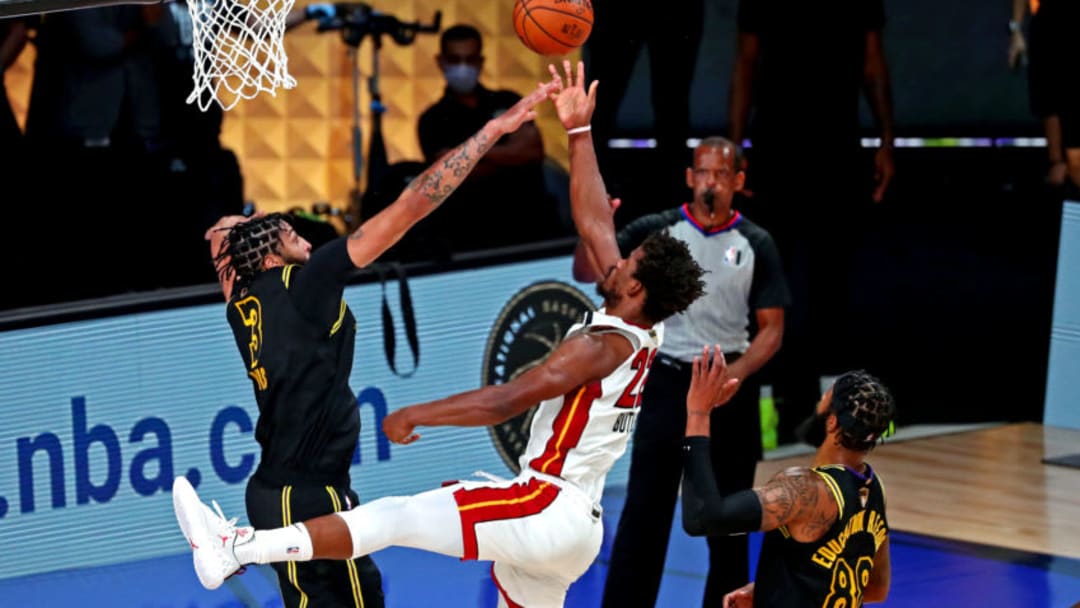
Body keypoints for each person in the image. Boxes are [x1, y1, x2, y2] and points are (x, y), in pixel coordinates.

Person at [170, 59, 707, 608]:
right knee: (387, 528)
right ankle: (237, 546)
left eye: (626, 262)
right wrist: (548, 133)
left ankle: (239, 547)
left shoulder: (244, 302)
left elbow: (507, 394)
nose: (613, 260)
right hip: (567, 525)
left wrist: (418, 413)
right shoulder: (647, 327)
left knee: (396, 518)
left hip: (540, 506)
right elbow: (584, 225)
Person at [196, 79, 558, 608]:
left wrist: (249, 230)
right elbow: (414, 203)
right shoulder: (309, 281)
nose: (291, 225)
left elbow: (218, 235)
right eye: (278, 228)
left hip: (277, 490)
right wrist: (491, 132)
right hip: (307, 494)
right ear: (266, 255)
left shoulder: (241, 299)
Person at [581, 137, 789, 607]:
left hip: (725, 386)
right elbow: (596, 272)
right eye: (702, 173)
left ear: (738, 181)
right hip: (667, 381)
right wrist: (595, 229)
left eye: (720, 174)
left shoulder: (756, 243)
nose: (709, 182)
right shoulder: (659, 231)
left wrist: (735, 374)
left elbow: (772, 330)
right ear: (689, 177)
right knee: (645, 512)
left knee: (729, 518)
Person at [728, 0, 896, 446]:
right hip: (775, 147)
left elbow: (873, 61)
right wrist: (734, 144)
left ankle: (831, 412)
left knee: (832, 284)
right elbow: (746, 60)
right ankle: (783, 407)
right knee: (773, 285)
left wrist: (885, 139)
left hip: (837, 146)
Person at [680, 351, 895, 608]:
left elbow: (703, 518)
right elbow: (875, 588)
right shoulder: (874, 489)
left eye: (824, 398)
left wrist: (698, 414)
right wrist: (772, 590)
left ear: (832, 422)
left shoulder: (804, 489)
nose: (818, 403)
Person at [416, 23, 564, 254]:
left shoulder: (507, 100)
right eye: (455, 60)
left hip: (531, 226)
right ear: (441, 61)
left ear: (481, 61)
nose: (463, 67)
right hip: (471, 235)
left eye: (470, 59)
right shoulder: (432, 119)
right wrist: (507, 152)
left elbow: (532, 152)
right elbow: (448, 175)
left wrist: (467, 154)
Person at [583, 0, 704, 213]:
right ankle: (592, 196)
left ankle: (673, 202)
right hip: (617, 9)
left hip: (676, 9)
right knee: (601, 98)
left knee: (672, 103)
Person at [1008, 0, 1080, 194]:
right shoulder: (1048, 28)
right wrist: (1056, 159)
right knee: (1072, 163)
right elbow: (1048, 100)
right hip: (1051, 33)